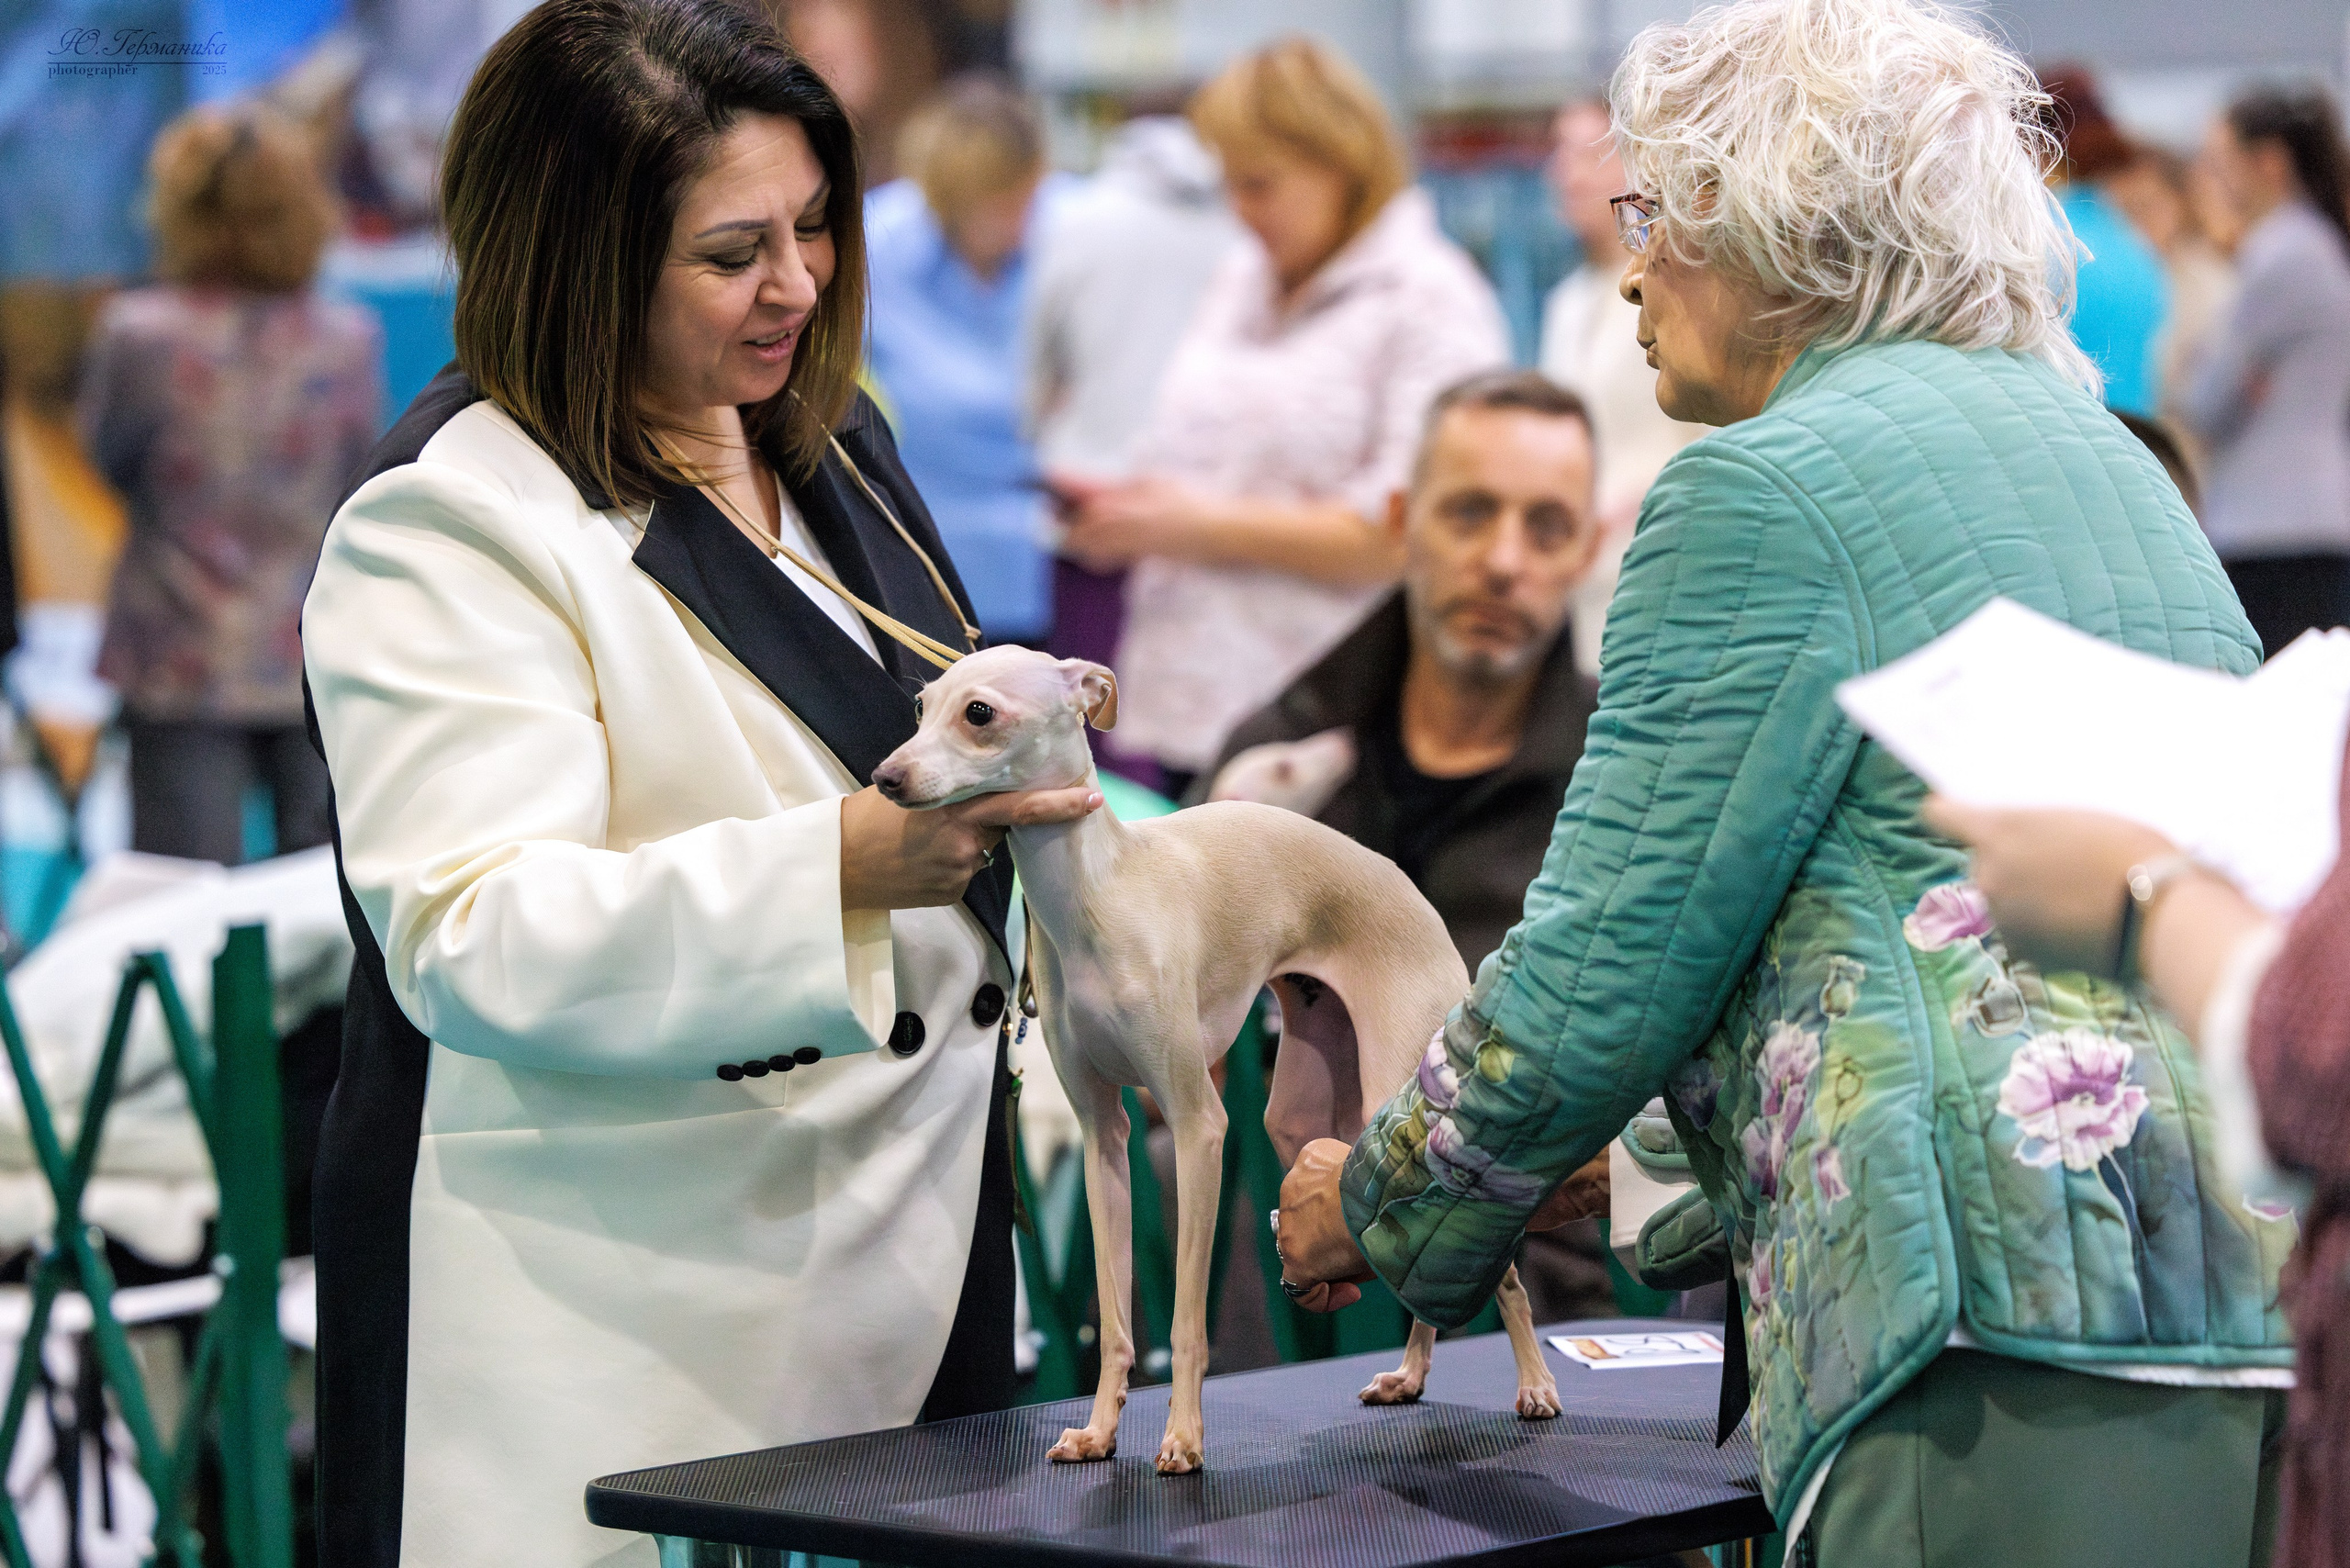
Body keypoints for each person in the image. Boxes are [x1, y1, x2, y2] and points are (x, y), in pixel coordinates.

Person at [1272, 2, 2291, 1563]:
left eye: (1659, 212)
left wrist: (1380, 1195)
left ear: (1772, 218)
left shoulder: (1757, 490)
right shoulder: (2105, 463)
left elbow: (1595, 974)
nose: (1629, 270)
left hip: (1978, 1349)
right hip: (2242, 1304)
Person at [299, 2, 1100, 1562]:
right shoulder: (453, 521)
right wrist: (842, 865)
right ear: (581, 256)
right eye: (735, 252)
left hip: (899, 1271)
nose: (797, 285)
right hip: (627, 1323)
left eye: (814, 229)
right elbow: (474, 930)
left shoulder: (832, 443)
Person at [1201, 368, 1616, 1322]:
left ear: (1587, 548)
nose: (1503, 560)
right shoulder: (1276, 767)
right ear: (1402, 519)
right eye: (1469, 513)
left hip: (1537, 1281)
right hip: (1268, 1288)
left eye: (1545, 527)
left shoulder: (1624, 793)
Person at [1925, 742, 2350, 1568]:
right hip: (2251, 1295)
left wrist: (2151, 905)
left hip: (2014, 1305)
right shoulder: (2223, 611)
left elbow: (2320, 1056)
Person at [1063, 37, 1509, 793]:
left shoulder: (1429, 299)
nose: (1241, 211)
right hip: (1198, 704)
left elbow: (1411, 529)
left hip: (1330, 720)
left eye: (1260, 185)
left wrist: (1191, 526)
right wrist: (1130, 505)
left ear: (1339, 164)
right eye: (1229, 186)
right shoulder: (1245, 277)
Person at [78, 105, 380, 864]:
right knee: (316, 905)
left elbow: (106, 457)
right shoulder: (347, 340)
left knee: (178, 896)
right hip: (308, 650)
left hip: (176, 654)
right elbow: (356, 483)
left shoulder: (138, 334)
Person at [1023, 111, 1237, 678]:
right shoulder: (1243, 224)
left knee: (1089, 712)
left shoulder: (1075, 218)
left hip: (1094, 502)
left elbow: (1037, 372)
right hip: (1212, 516)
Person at [864, 75, 1060, 641]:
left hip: (1058, 558)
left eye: (1024, 200)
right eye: (995, 208)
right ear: (941, 201)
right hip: (933, 560)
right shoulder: (876, 243)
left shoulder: (1071, 229)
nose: (1016, 222)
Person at [2180, 86, 2350, 657]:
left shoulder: (2281, 254)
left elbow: (2205, 399)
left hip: (2271, 525)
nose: (2214, 180)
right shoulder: (2318, 245)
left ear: (2268, 162)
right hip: (2311, 516)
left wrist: (2208, 369)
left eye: (2221, 162)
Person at [1538, 97, 1704, 676]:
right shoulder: (1567, 303)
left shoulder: (1679, 294)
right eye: (1559, 153)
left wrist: (1631, 505)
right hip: (1573, 586)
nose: (1566, 172)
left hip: (1663, 571)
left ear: (1640, 167)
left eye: (1587, 154)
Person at [2106, 147, 2237, 461]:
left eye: (2147, 207)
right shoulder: (2119, 281)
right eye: (2124, 210)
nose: (2135, 225)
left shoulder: (2211, 284)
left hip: (2187, 461)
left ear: (2182, 204)